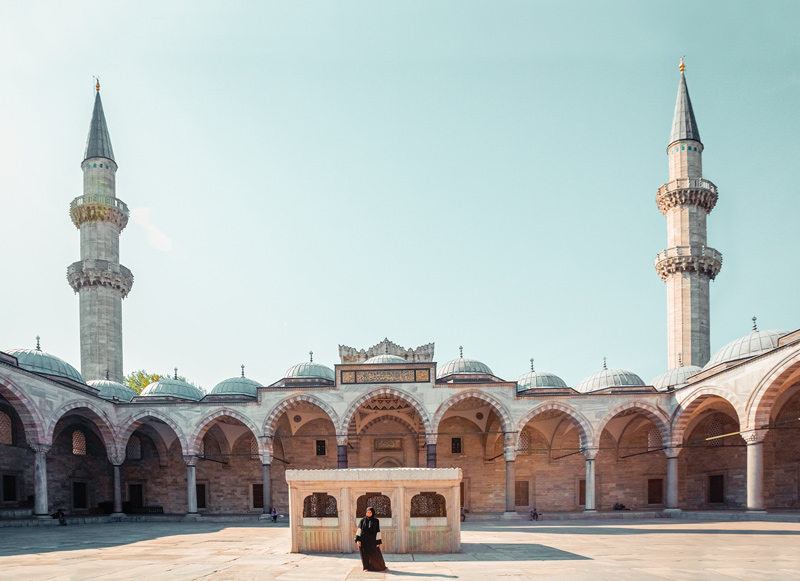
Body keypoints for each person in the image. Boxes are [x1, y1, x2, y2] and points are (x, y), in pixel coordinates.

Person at [355, 507, 387, 572]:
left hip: (372, 541)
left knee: (376, 554)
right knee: (365, 555)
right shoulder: (362, 520)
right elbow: (359, 530)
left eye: (370, 512)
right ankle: (366, 567)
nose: (369, 514)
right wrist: (358, 540)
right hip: (364, 541)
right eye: (367, 512)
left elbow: (378, 531)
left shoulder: (376, 521)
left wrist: (378, 542)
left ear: (373, 513)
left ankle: (380, 567)